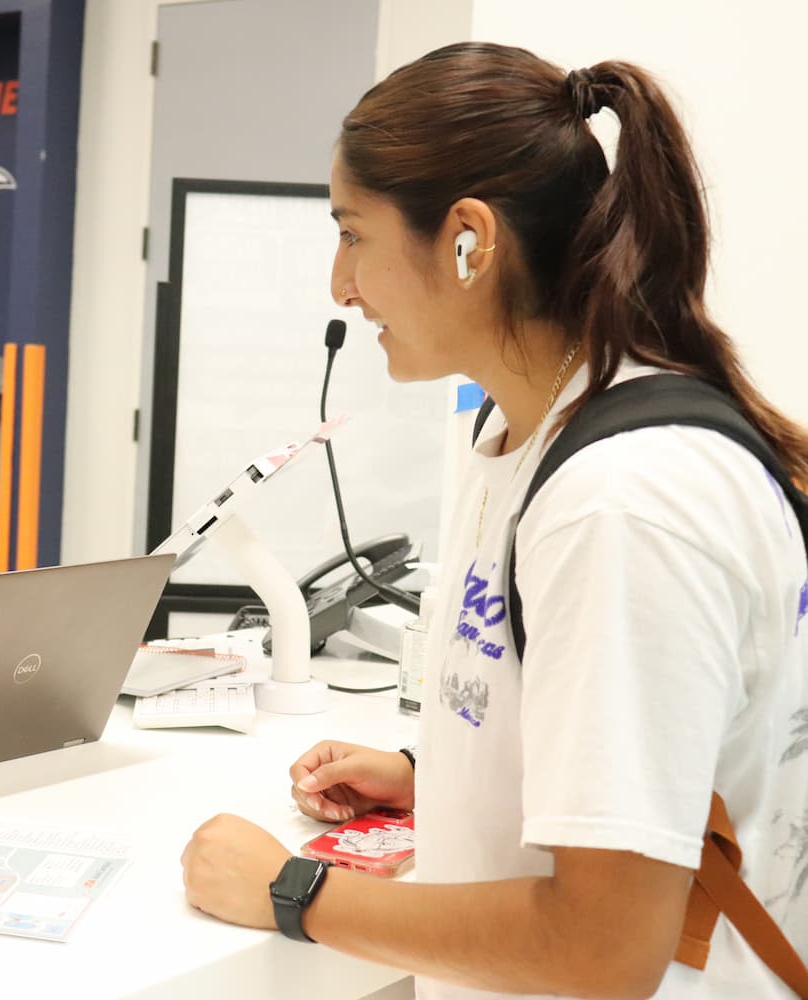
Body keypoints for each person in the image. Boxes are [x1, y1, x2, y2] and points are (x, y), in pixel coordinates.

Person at [180, 42, 808, 999]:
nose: (339, 285)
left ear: (470, 239)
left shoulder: (622, 502)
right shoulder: (515, 434)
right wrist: (441, 778)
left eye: (353, 234)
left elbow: (604, 947)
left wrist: (290, 890)